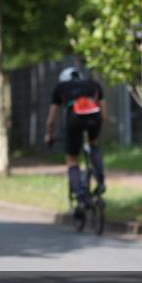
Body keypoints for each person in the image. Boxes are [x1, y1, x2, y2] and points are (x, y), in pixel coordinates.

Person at [45, 66, 106, 218]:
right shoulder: (94, 84)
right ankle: (100, 179)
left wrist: (49, 136)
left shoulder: (60, 87)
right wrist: (95, 130)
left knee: (72, 160)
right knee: (94, 145)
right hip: (94, 118)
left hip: (74, 119)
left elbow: (51, 120)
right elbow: (103, 114)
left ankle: (80, 196)